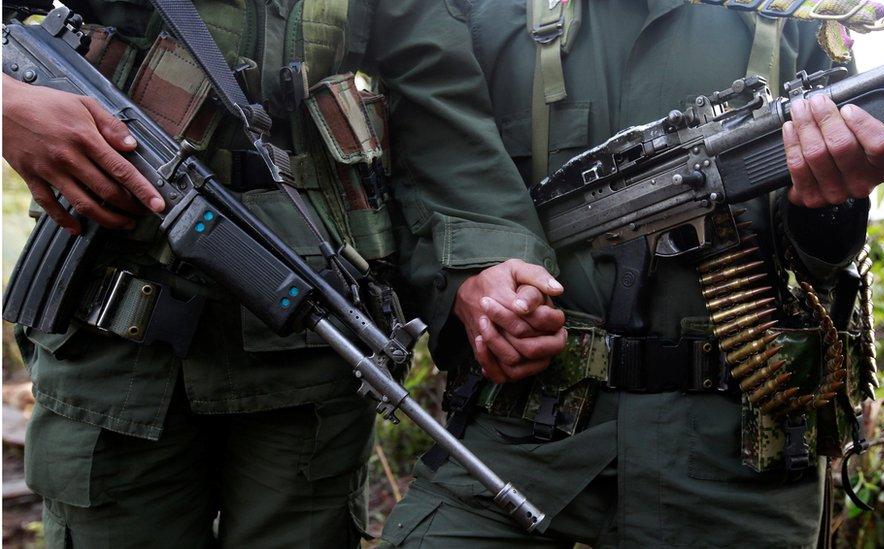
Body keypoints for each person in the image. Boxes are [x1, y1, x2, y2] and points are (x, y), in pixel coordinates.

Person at [1, 0, 533, 546]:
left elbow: (438, 101)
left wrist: (485, 261)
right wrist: (8, 103)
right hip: (111, 334)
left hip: (309, 344)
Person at [383, 1, 884, 547]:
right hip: (521, 437)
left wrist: (829, 208)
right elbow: (433, 162)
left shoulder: (797, 13)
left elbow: (823, 249)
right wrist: (470, 273)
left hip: (739, 457)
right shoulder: (484, 12)